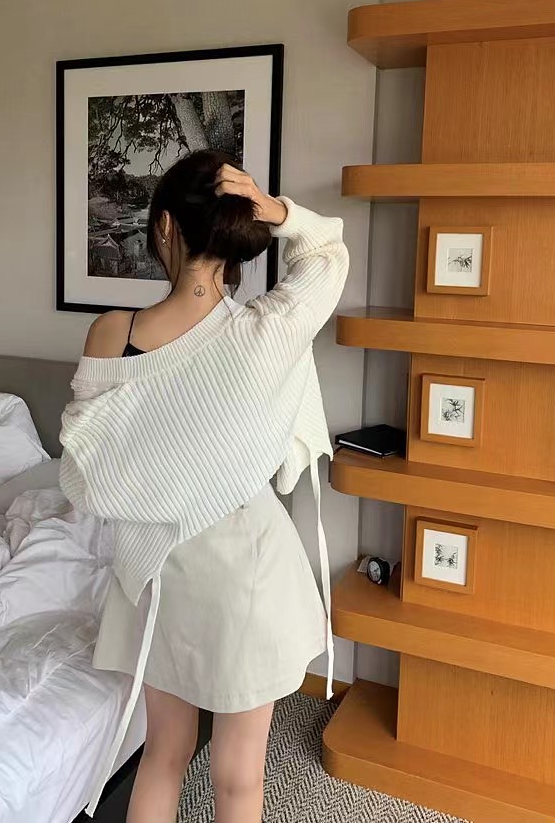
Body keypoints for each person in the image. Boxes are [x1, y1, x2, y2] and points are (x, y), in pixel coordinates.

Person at [59, 149, 349, 823]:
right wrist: (279, 211)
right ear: (239, 229)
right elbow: (327, 252)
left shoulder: (111, 334)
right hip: (246, 569)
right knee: (239, 776)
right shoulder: (269, 330)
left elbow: (87, 470)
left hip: (154, 569)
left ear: (165, 226)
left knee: (164, 752)